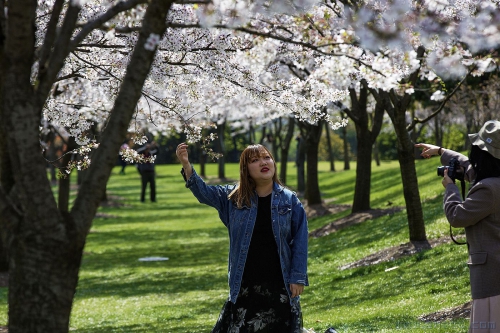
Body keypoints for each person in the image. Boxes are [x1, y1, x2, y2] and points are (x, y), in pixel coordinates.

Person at [176, 142, 308, 333]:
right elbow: (203, 193)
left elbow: (300, 241)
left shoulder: (290, 200)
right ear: (245, 168)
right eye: (255, 160)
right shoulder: (233, 198)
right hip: (245, 283)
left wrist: (297, 277)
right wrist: (187, 165)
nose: (263, 162)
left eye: (266, 157)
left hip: (279, 284)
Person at [416, 120, 500, 333]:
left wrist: (450, 188)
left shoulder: (488, 190)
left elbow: (457, 216)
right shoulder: (492, 181)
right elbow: (471, 169)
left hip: (492, 277)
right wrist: (442, 151)